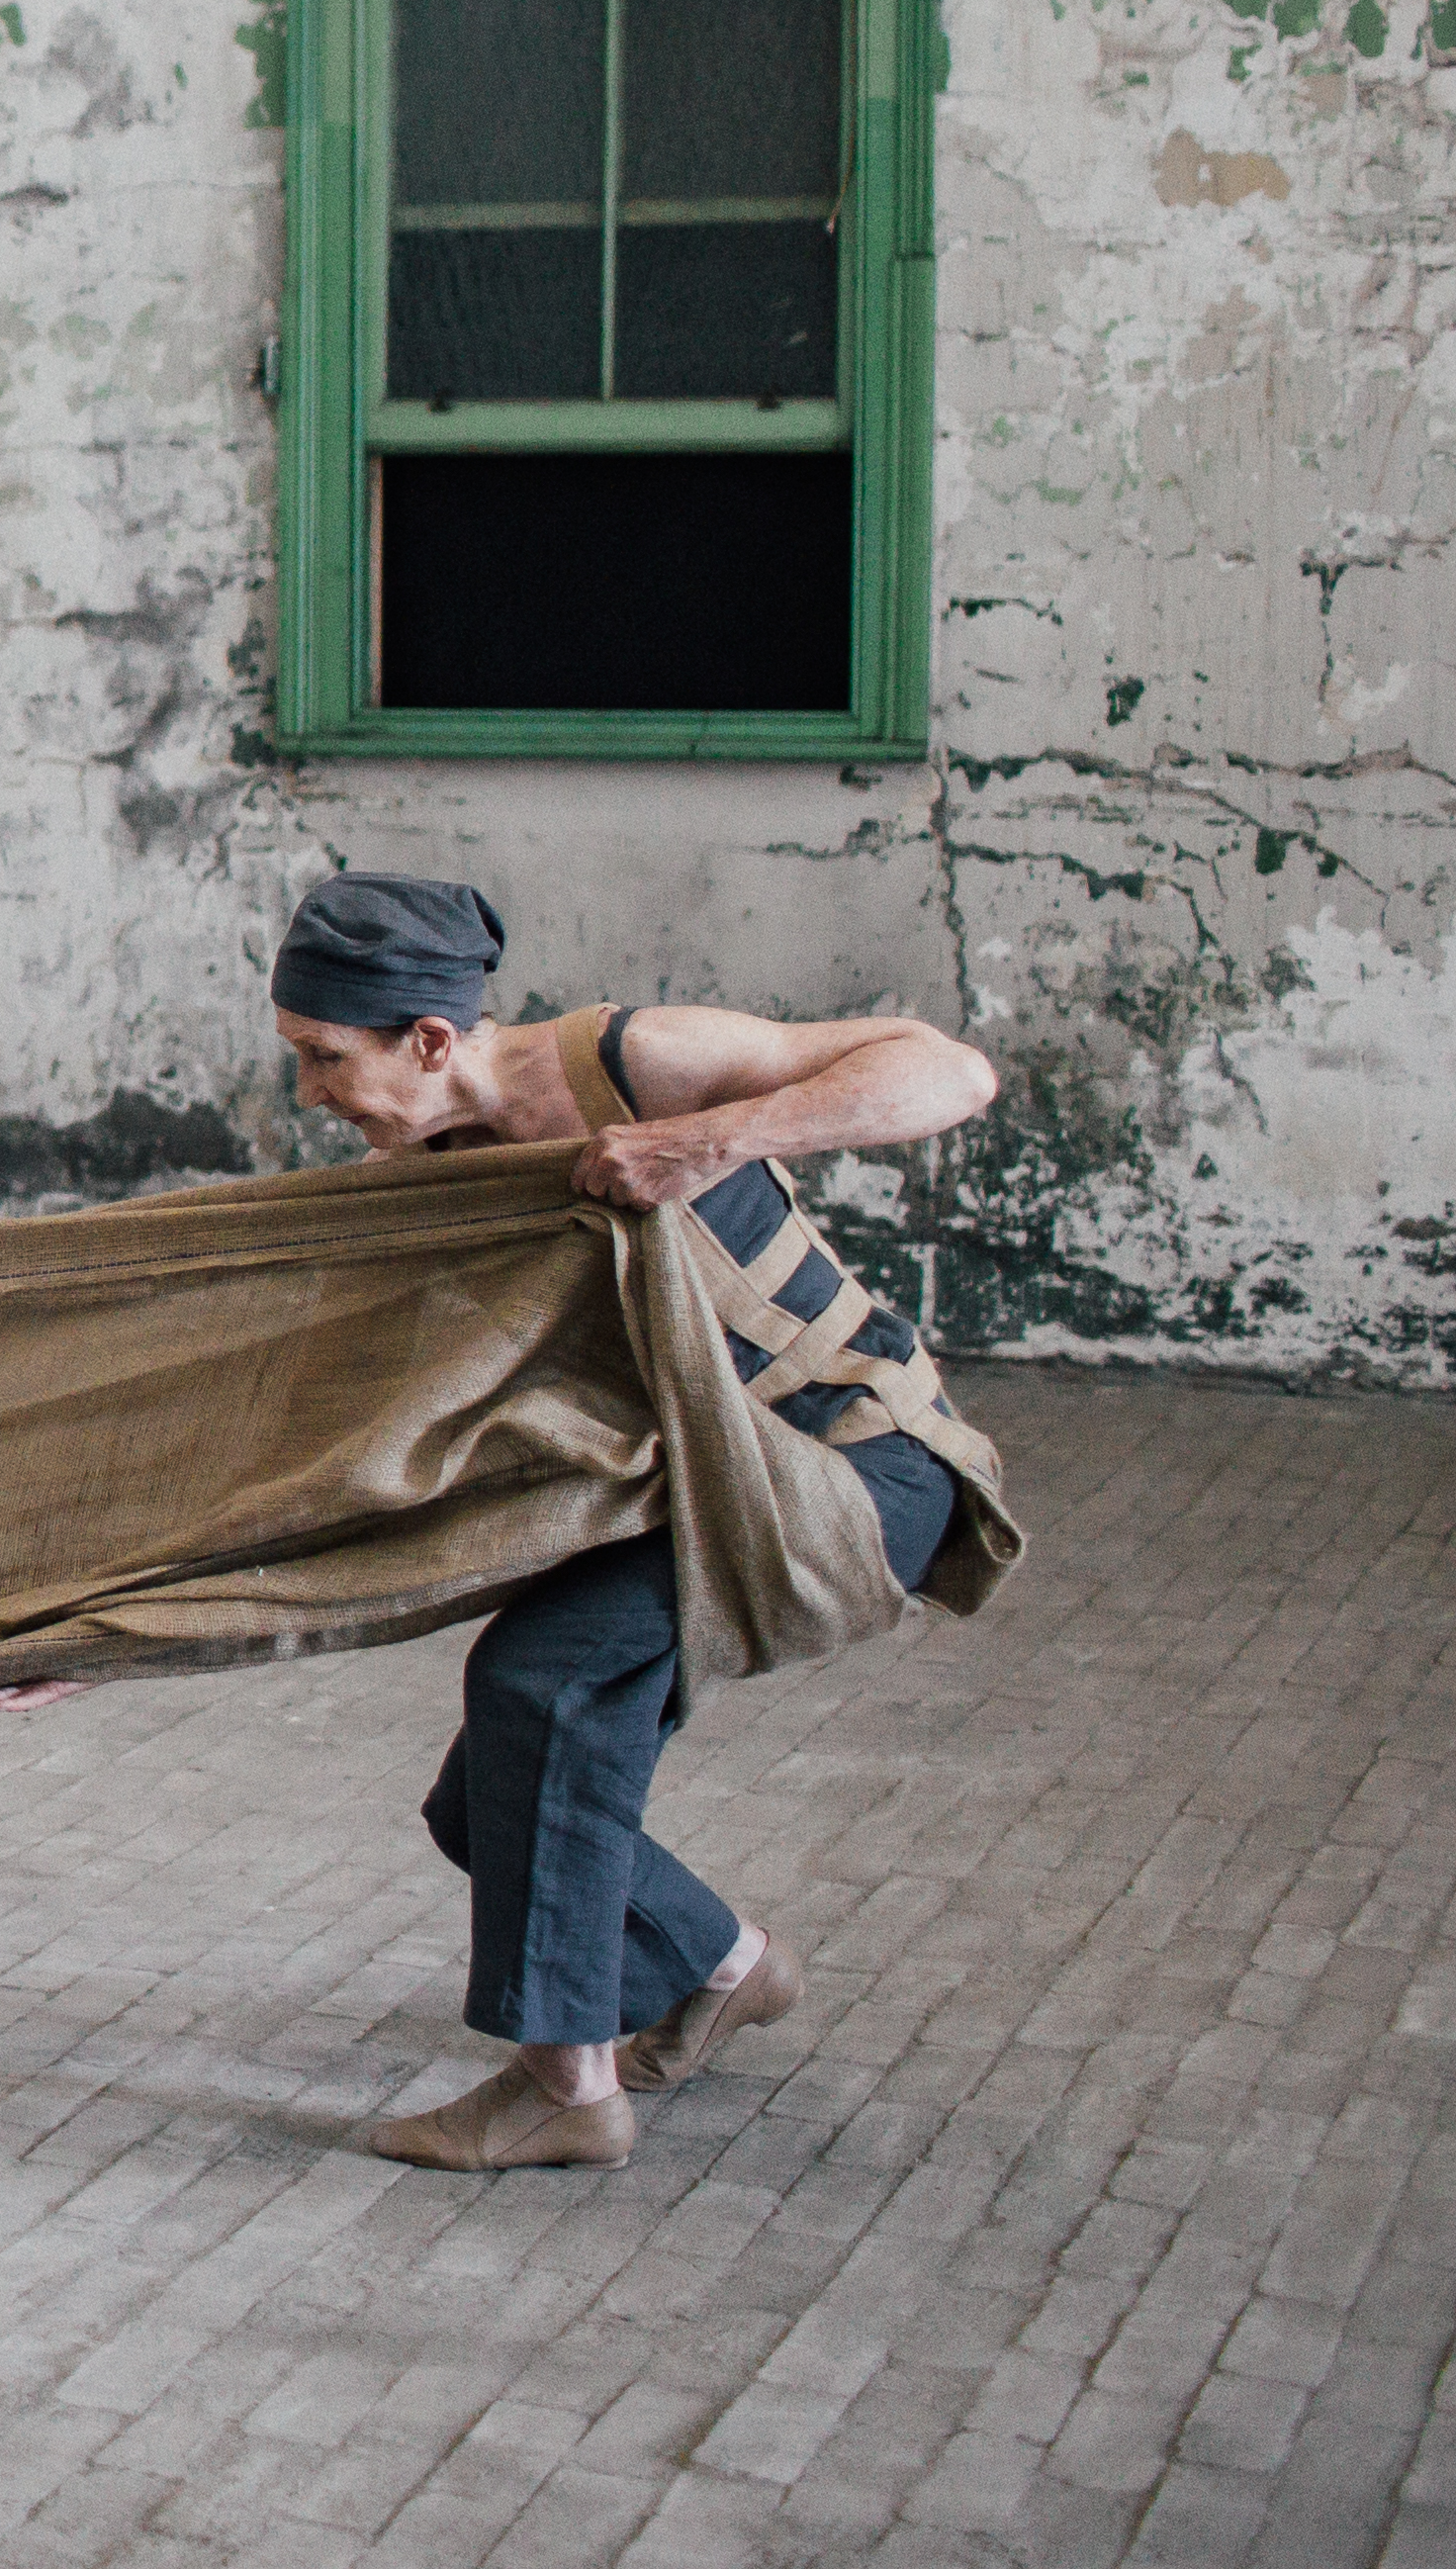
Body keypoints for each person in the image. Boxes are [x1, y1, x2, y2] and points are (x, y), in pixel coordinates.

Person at [266, 870, 1011, 2173]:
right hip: (704, 1489)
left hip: (861, 1463)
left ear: (430, 1038)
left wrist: (709, 1141)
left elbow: (950, 1071)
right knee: (488, 1802)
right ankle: (722, 1965)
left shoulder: (632, 1061)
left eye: (326, 1057)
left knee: (545, 1683)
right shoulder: (430, 1175)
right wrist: (94, 1632)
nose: (310, 1093)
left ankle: (567, 2088)